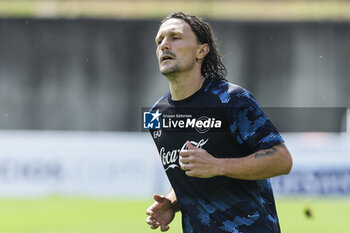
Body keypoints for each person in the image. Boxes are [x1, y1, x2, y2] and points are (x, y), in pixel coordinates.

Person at [145, 11, 293, 233]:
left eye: (175, 37)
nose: (164, 45)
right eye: (159, 41)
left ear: (201, 51)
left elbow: (282, 160)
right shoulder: (156, 115)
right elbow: (192, 172)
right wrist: (172, 204)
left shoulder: (232, 100)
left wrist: (217, 165)